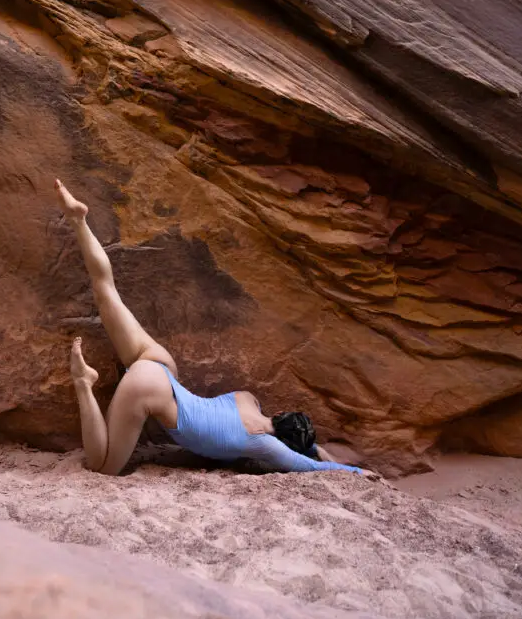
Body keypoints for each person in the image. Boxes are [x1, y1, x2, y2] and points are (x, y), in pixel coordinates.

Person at [55, 179, 373, 478]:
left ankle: (79, 221)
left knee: (106, 290)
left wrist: (312, 444)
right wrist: (357, 472)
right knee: (102, 467)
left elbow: (298, 445)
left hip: (163, 366)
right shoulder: (262, 442)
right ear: (283, 441)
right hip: (149, 386)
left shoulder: (248, 400)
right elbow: (307, 467)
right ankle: (84, 383)